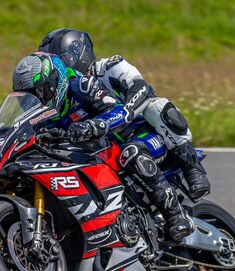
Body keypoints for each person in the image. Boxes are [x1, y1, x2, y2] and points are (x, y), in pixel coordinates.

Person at [12, 52, 194, 243]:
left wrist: (93, 125)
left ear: (56, 80)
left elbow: (118, 110)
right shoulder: (44, 118)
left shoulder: (82, 86)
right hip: (94, 157)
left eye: (42, 91)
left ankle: (176, 215)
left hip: (134, 138)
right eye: (31, 96)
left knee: (132, 154)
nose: (39, 99)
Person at [38, 28, 210, 201]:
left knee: (156, 106)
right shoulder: (62, 95)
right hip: (101, 149)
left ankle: (192, 168)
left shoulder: (109, 67)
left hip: (140, 133)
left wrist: (122, 113)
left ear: (79, 52)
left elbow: (141, 88)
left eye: (62, 59)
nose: (58, 67)